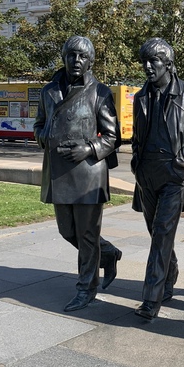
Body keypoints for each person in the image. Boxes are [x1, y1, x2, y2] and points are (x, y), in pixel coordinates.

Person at [33, 35, 120, 312]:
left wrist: (88, 148)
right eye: (72, 55)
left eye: (82, 56)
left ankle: (87, 288)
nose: (76, 61)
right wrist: (43, 135)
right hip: (59, 172)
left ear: (90, 61)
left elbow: (111, 136)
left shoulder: (100, 93)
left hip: (88, 174)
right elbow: (38, 125)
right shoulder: (48, 92)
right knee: (66, 230)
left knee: (86, 235)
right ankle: (107, 254)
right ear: (64, 58)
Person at [131, 37, 184, 321]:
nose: (148, 67)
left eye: (154, 62)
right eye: (145, 62)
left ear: (169, 65)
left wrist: (181, 164)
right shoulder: (140, 97)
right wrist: (136, 163)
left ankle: (152, 298)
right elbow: (137, 137)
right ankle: (170, 269)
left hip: (173, 177)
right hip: (146, 177)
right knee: (157, 234)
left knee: (162, 234)